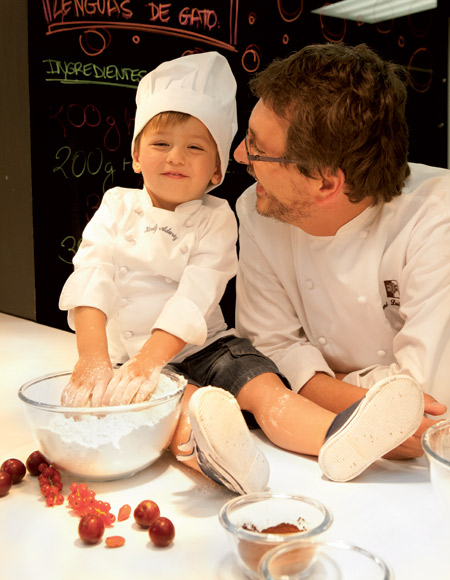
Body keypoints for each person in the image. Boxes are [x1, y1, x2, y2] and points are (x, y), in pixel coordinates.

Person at [59, 50, 425, 494]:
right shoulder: (120, 205)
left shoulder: (219, 218)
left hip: (208, 346)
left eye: (195, 147)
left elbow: (196, 297)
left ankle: (344, 437)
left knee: (268, 393)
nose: (175, 157)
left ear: (215, 169)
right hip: (128, 355)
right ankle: (229, 462)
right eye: (159, 144)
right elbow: (91, 276)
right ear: (135, 154)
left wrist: (150, 362)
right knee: (185, 409)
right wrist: (96, 360)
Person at [233, 42, 449, 465]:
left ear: (325, 183)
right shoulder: (258, 209)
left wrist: (309, 378)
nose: (240, 155)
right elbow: (269, 348)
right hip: (321, 451)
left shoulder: (437, 220)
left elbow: (428, 410)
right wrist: (357, 392)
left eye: (257, 148)